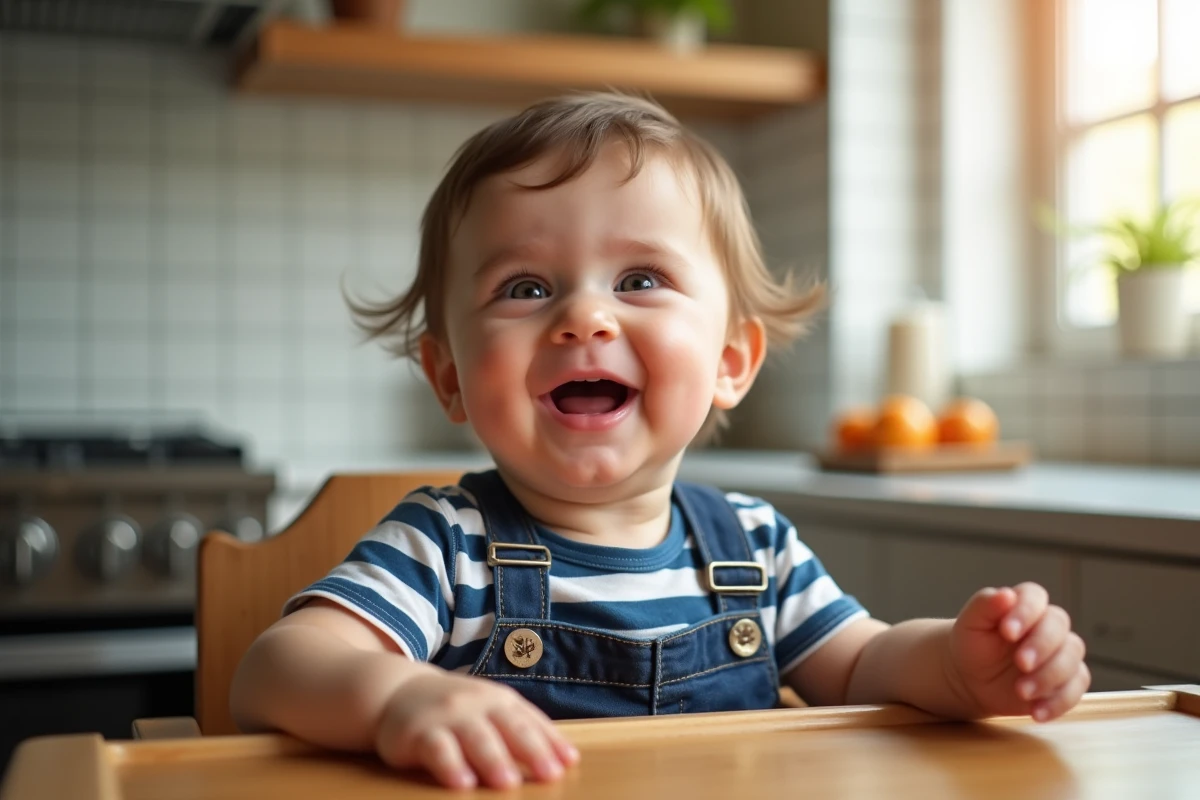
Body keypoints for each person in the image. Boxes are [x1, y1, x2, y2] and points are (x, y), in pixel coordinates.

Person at [230, 92, 1090, 791]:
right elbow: (276, 668)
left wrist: (958, 667)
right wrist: (396, 698)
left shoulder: (755, 547)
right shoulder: (447, 548)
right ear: (449, 375)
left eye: (640, 279)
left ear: (728, 360)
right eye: (525, 286)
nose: (584, 317)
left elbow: (864, 664)